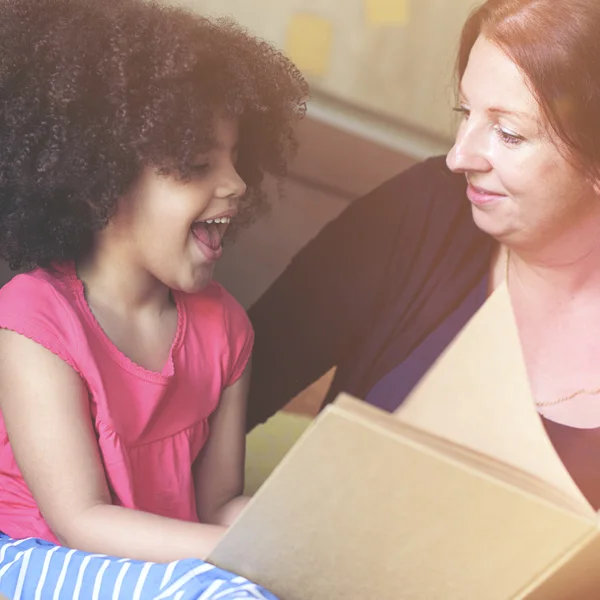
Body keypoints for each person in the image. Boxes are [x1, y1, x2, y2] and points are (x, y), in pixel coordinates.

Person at [0, 0, 306, 597]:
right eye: (197, 165)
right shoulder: (33, 318)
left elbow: (217, 504)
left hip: (159, 562)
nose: (237, 184)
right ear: (100, 181)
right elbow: (79, 520)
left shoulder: (227, 330)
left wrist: (297, 539)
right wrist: (237, 557)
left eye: (237, 158)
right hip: (28, 553)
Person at [247, 0, 600, 509]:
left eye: (508, 133)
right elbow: (221, 397)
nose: (459, 157)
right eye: (465, 112)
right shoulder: (422, 213)